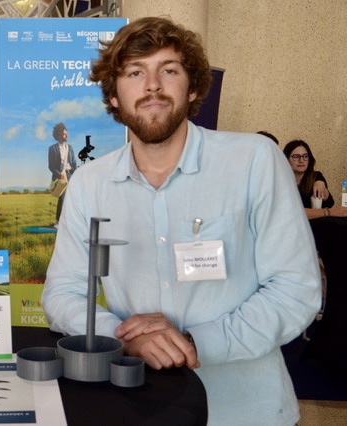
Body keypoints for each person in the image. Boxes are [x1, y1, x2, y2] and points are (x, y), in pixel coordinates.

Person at [42, 17, 321, 425]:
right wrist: (126, 340)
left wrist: (193, 343)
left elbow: (296, 290)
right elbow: (62, 293)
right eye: (135, 73)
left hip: (247, 410)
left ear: (192, 88)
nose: (152, 85)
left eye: (168, 70)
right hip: (138, 407)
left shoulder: (254, 161)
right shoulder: (90, 183)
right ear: (114, 96)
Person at [283, 139, 347, 219]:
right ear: (286, 159)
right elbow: (290, 212)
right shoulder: (280, 181)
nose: (301, 160)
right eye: (296, 157)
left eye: (305, 156)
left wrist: (322, 187)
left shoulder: (316, 177)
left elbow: (329, 203)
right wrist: (328, 212)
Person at [48, 122, 77, 227]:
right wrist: (58, 174)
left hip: (70, 175)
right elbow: (51, 166)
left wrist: (76, 173)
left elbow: (74, 163)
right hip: (61, 176)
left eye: (67, 134)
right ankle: (59, 221)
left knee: (71, 199)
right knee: (63, 198)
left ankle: (69, 221)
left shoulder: (70, 147)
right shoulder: (52, 149)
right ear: (59, 135)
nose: (67, 136)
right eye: (64, 134)